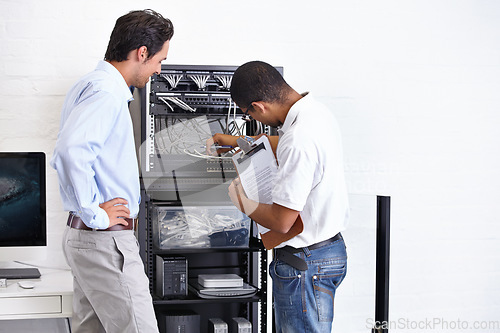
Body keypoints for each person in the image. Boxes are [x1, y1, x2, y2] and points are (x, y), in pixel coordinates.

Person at [50, 10, 173, 333]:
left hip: (89, 241)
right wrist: (96, 214)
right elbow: (69, 152)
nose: (159, 70)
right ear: (141, 53)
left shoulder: (92, 85)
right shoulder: (106, 92)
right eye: (159, 60)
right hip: (104, 241)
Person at [209, 61, 349, 332]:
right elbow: (282, 143)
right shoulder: (316, 113)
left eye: (249, 114)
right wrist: (235, 141)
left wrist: (242, 202)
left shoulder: (298, 139)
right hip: (328, 251)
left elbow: (282, 221)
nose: (253, 119)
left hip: (304, 263)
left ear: (259, 106)